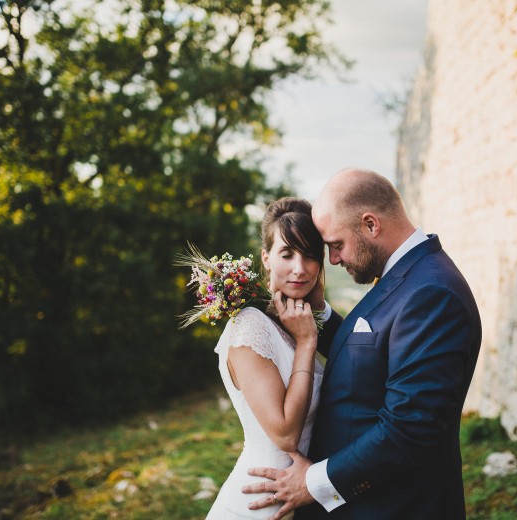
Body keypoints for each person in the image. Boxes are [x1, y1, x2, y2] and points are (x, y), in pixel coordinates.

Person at [242, 169, 482, 519]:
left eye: (336, 245)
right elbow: (367, 351)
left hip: (397, 507)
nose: (333, 260)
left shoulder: (431, 292)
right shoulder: (407, 276)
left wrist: (313, 482)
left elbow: (409, 429)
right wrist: (319, 312)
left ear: (371, 224)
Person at [207, 197, 342, 519]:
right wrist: (307, 342)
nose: (299, 268)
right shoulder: (250, 325)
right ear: (266, 258)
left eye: (310, 256)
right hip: (258, 503)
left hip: (298, 497)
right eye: (287, 254)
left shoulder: (292, 322)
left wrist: (317, 314)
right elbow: (284, 434)